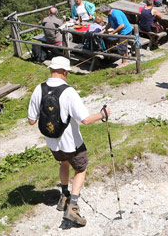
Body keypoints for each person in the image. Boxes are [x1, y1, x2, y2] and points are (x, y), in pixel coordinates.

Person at [27, 56, 108, 227]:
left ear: (51, 70)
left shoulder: (38, 89)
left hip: (52, 142)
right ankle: (73, 207)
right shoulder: (69, 91)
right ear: (64, 72)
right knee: (81, 168)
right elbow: (85, 120)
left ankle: (64, 196)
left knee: (63, 163)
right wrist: (103, 115)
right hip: (71, 142)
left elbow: (31, 121)